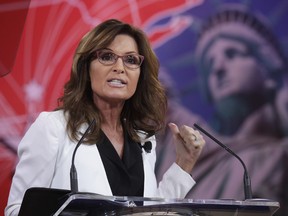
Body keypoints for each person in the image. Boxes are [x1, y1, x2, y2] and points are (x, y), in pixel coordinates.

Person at [5, 19, 205, 216]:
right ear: (87, 68)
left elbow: (150, 213)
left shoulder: (142, 138)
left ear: (139, 74)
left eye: (131, 60)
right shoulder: (53, 128)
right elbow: (17, 211)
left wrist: (184, 163)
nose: (120, 67)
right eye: (107, 56)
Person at [155, 5, 288, 216]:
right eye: (210, 64)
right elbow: (159, 101)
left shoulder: (278, 157)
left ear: (269, 68)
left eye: (232, 53)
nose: (218, 69)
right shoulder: (201, 151)